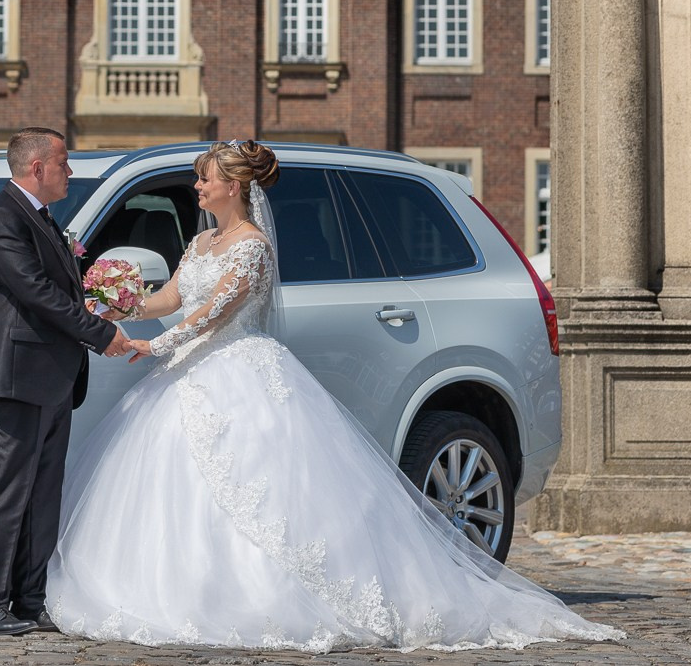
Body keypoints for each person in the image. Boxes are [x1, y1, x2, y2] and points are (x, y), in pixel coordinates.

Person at [45, 140, 622, 650]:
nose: (197, 185)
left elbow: (214, 316)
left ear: (234, 186)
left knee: (264, 492)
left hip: (237, 372)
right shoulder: (199, 244)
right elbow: (173, 298)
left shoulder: (251, 248)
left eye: (204, 177)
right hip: (190, 375)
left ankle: (269, 596)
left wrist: (154, 348)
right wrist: (120, 305)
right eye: (198, 176)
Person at [0, 128, 132, 636]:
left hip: (52, 379)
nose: (70, 171)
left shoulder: (41, 219)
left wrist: (98, 303)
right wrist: (101, 333)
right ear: (37, 167)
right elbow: (35, 292)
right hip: (12, 379)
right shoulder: (0, 218)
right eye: (64, 162)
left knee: (43, 495)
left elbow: (56, 292)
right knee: (5, 493)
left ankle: (30, 601)